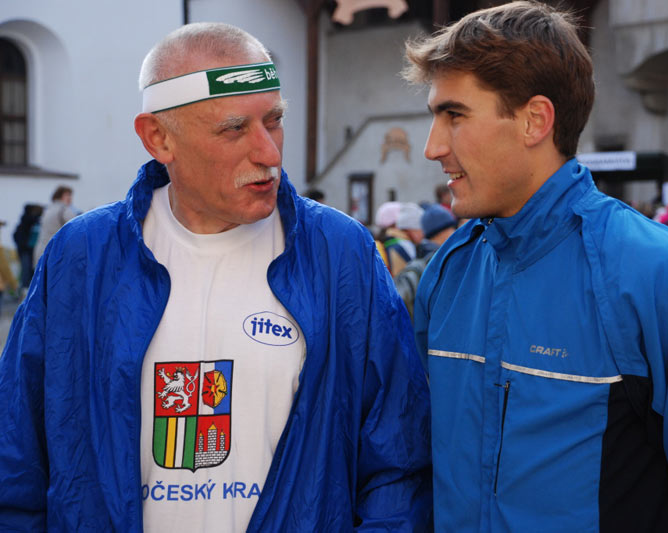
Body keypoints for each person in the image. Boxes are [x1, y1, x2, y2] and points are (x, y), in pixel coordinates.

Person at [0, 22, 432, 532]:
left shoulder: (340, 254)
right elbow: (17, 455)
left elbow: (396, 460)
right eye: (234, 129)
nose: (270, 153)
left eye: (274, 121)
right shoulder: (82, 258)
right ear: (159, 138)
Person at [404, 2, 668, 531]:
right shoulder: (450, 270)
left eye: (454, 115)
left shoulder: (667, 279)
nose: (432, 147)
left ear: (535, 120)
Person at [394, 204, 458, 318]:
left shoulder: (421, 260)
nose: (455, 232)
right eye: (451, 229)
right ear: (441, 233)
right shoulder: (441, 262)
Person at [32, 185, 76, 264]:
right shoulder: (64, 210)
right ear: (60, 195)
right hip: (55, 252)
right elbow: (76, 228)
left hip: (41, 250)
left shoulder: (48, 209)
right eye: (67, 195)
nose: (70, 198)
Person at [12, 203, 43, 292]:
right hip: (26, 250)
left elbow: (15, 235)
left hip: (25, 250)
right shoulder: (29, 220)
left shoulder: (25, 222)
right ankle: (25, 289)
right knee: (27, 270)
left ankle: (24, 289)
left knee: (27, 270)